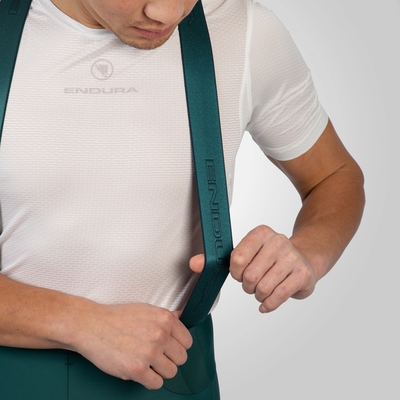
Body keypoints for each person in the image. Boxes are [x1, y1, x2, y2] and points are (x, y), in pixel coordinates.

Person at [0, 0, 365, 398]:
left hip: (175, 372)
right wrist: (78, 323)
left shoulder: (244, 31)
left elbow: (334, 175)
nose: (167, 13)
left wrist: (310, 252)